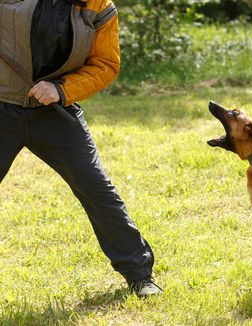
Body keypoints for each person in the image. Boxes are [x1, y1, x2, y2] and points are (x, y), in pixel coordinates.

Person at [0, 0, 162, 297]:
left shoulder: (99, 7)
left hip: (55, 113)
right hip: (2, 108)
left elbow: (105, 65)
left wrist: (61, 90)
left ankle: (140, 276)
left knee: (96, 187)